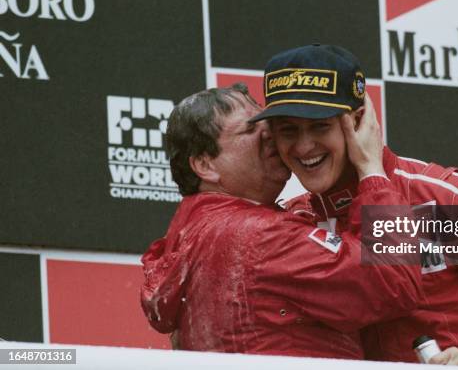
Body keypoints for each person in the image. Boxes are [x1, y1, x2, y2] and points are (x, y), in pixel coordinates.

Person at [251, 44, 458, 369]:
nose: (304, 146)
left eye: (320, 126)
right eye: (289, 131)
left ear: (359, 121)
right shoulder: (295, 222)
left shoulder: (444, 203)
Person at [140, 83, 422, 359]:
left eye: (318, 126)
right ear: (205, 165)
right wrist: (372, 171)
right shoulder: (257, 235)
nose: (272, 135)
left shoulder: (195, 232)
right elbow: (393, 280)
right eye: (251, 129)